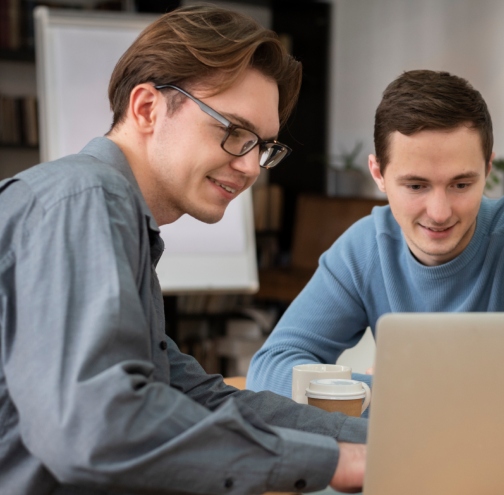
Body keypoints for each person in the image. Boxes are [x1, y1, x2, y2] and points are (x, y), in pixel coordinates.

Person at [0, 6, 367, 494]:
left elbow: (197, 398)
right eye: (234, 133)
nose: (251, 167)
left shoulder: (116, 217)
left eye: (262, 146)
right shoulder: (87, 198)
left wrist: (375, 440)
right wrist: (333, 463)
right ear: (147, 108)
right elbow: (97, 429)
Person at [248, 70, 504, 396]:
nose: (440, 212)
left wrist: (412, 389)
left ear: (488, 168)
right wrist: (381, 391)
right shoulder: (365, 249)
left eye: (461, 184)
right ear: (378, 174)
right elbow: (271, 369)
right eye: (416, 186)